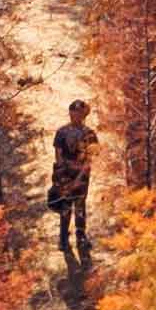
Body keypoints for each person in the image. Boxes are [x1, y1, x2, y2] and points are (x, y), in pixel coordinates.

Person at [47, 97, 97, 297]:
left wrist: (79, 176)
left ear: (84, 114)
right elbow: (58, 154)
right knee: (64, 207)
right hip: (65, 175)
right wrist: (63, 173)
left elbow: (91, 158)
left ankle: (81, 236)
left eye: (79, 113)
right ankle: (63, 238)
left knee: (80, 207)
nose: (75, 116)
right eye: (73, 112)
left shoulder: (90, 134)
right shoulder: (62, 132)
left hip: (82, 175)